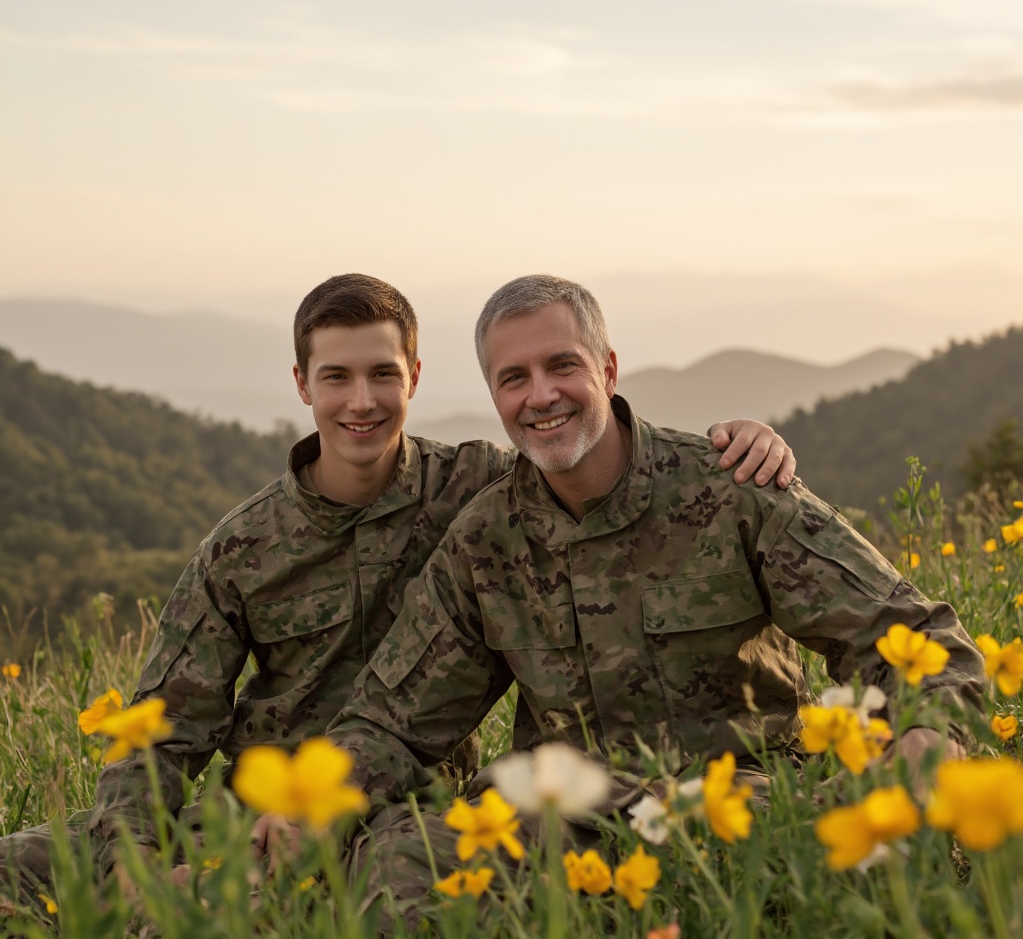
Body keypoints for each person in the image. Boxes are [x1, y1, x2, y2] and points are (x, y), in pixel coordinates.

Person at [0, 273, 794, 898]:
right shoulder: (241, 547)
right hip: (253, 807)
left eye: (383, 374)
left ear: (415, 376)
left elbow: (582, 449)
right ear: (302, 384)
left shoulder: (480, 493)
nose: (362, 401)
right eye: (336, 376)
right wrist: (134, 869)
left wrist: (736, 443)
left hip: (390, 802)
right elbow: (158, 734)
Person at [326, 274, 985, 923]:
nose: (541, 395)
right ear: (495, 396)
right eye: (514, 378)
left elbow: (914, 636)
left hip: (740, 808)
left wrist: (927, 734)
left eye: (563, 365)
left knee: (869, 846)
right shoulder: (484, 540)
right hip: (565, 825)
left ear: (608, 369)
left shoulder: (731, 489)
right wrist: (307, 814)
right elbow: (392, 720)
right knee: (397, 863)